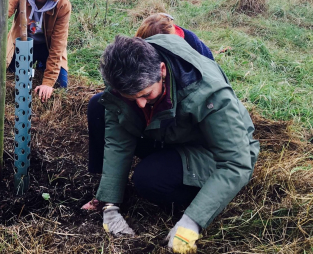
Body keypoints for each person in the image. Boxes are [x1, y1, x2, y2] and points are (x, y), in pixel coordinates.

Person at [87, 35, 259, 254]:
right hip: (167, 133)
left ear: (162, 71)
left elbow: (237, 161)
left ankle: (201, 194)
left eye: (146, 94)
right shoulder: (123, 73)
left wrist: (192, 221)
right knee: (98, 106)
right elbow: (118, 139)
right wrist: (109, 204)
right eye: (131, 98)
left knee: (149, 178)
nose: (139, 103)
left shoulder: (208, 93)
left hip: (211, 149)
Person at [83, 12, 216, 186]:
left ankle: (166, 166)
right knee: (98, 104)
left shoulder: (196, 57)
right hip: (153, 125)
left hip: (180, 135)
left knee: (149, 176)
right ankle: (102, 175)